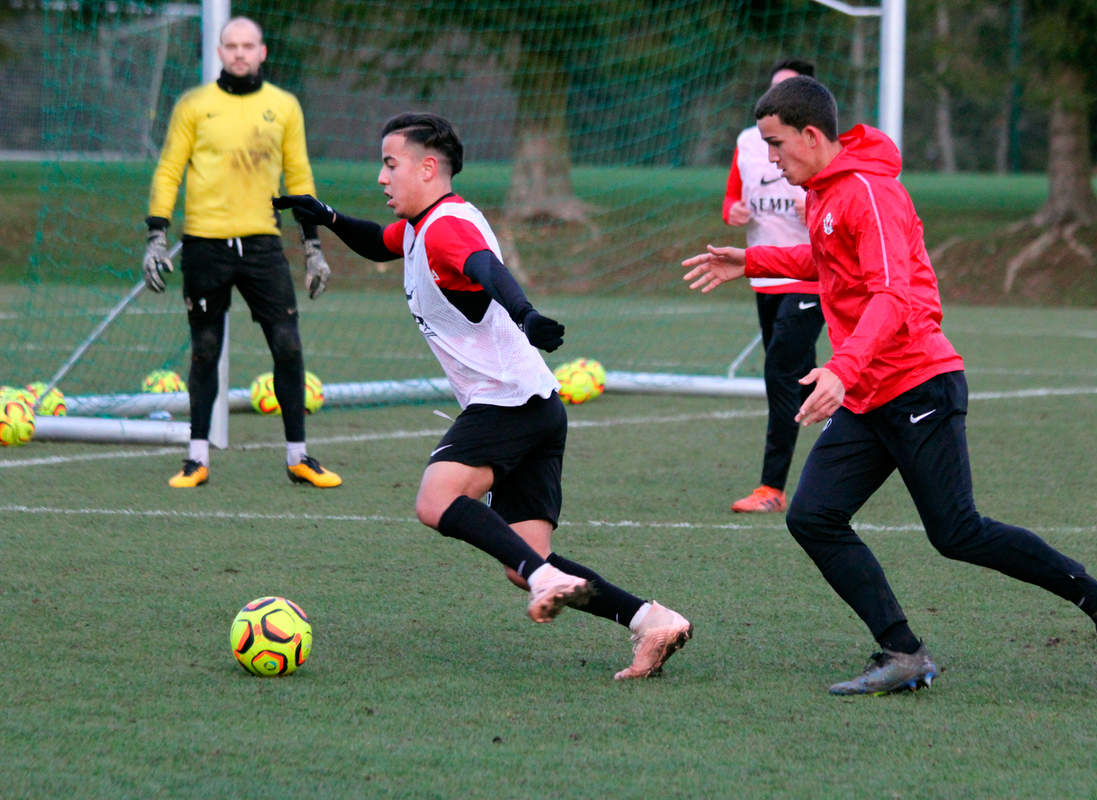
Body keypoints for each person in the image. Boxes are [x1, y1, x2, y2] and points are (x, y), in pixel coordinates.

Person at [682, 76, 1097, 695]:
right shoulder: (823, 194)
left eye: (775, 144)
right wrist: (754, 259)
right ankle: (902, 652)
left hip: (918, 383)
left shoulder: (868, 192)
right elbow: (830, 262)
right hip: (872, 390)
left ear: (811, 136)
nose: (768, 159)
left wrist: (841, 369)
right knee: (815, 515)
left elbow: (891, 294)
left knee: (957, 533)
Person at [273, 112, 692, 679]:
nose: (381, 177)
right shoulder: (423, 226)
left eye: (390, 164)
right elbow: (379, 242)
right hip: (536, 407)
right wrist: (325, 215)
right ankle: (652, 619)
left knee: (435, 499)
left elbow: (486, 268)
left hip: (507, 405)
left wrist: (526, 314)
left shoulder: (447, 227)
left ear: (428, 167)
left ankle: (550, 582)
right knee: (526, 562)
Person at [141, 16, 341, 490]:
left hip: (262, 245)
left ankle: (298, 457)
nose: (239, 53)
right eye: (231, 46)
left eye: (248, 46)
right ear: (219, 52)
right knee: (205, 348)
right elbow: (169, 169)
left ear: (262, 52)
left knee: (288, 345)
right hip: (205, 246)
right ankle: (196, 458)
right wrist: (156, 236)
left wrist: (313, 248)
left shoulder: (284, 107)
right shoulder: (194, 105)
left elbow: (300, 178)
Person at [722, 57, 825, 514]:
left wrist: (818, 211)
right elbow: (731, 200)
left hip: (811, 277)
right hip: (765, 273)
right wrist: (734, 214)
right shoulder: (750, 144)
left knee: (781, 370)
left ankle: (772, 487)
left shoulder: (818, 150)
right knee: (802, 377)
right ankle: (858, 428)